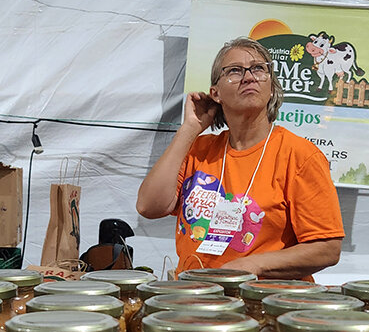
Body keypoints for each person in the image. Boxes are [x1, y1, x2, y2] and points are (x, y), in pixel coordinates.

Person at [137, 37, 343, 280]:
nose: (248, 77)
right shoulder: (198, 149)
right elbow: (149, 207)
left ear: (272, 87)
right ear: (216, 93)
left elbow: (327, 248)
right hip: (195, 299)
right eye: (234, 71)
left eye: (258, 69)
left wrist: (253, 266)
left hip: (265, 303)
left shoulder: (299, 155)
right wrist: (189, 129)